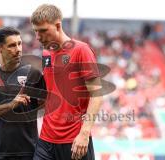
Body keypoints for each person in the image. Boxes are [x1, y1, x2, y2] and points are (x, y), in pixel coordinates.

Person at [31, 4, 103, 160]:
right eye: (36, 31)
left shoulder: (81, 50)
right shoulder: (46, 53)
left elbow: (97, 95)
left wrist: (84, 133)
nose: (38, 36)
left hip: (74, 141)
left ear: (58, 26)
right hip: (45, 140)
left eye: (43, 31)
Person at [0, 27, 45, 160]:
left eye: (19, 43)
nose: (18, 49)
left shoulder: (34, 74)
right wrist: (10, 105)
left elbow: (45, 105)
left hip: (29, 153)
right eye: (12, 45)